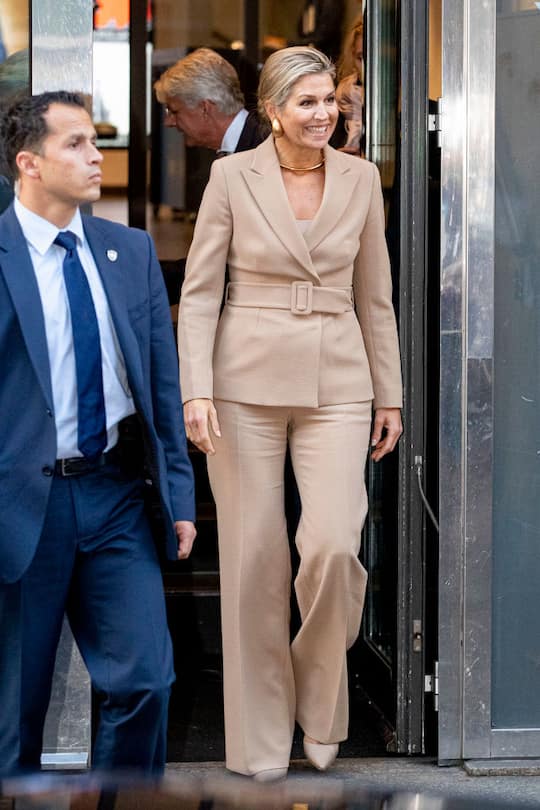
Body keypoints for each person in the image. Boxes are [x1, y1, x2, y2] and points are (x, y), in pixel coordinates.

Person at [177, 46, 403, 781]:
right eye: (305, 102)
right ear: (272, 109)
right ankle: (261, 737)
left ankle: (321, 697)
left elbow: (376, 297)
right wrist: (195, 388)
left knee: (335, 545)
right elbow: (203, 290)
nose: (322, 113)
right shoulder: (229, 177)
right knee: (253, 561)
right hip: (242, 381)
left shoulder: (362, 179)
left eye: (328, 101)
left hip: (340, 380)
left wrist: (389, 393)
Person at [0, 91, 196, 777]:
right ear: (29, 163)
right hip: (23, 506)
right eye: (76, 144)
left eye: (95, 141)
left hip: (114, 497)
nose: (95, 156)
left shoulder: (127, 250)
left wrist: (178, 496)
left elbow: (159, 387)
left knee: (145, 682)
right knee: (12, 714)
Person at [154, 48, 262, 156]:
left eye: (174, 111)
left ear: (205, 109)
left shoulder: (267, 148)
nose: (168, 122)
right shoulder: (232, 150)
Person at [335, 15, 364, 155]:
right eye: (361, 58)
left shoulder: (412, 110)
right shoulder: (336, 105)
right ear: (352, 57)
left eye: (379, 58)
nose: (368, 67)